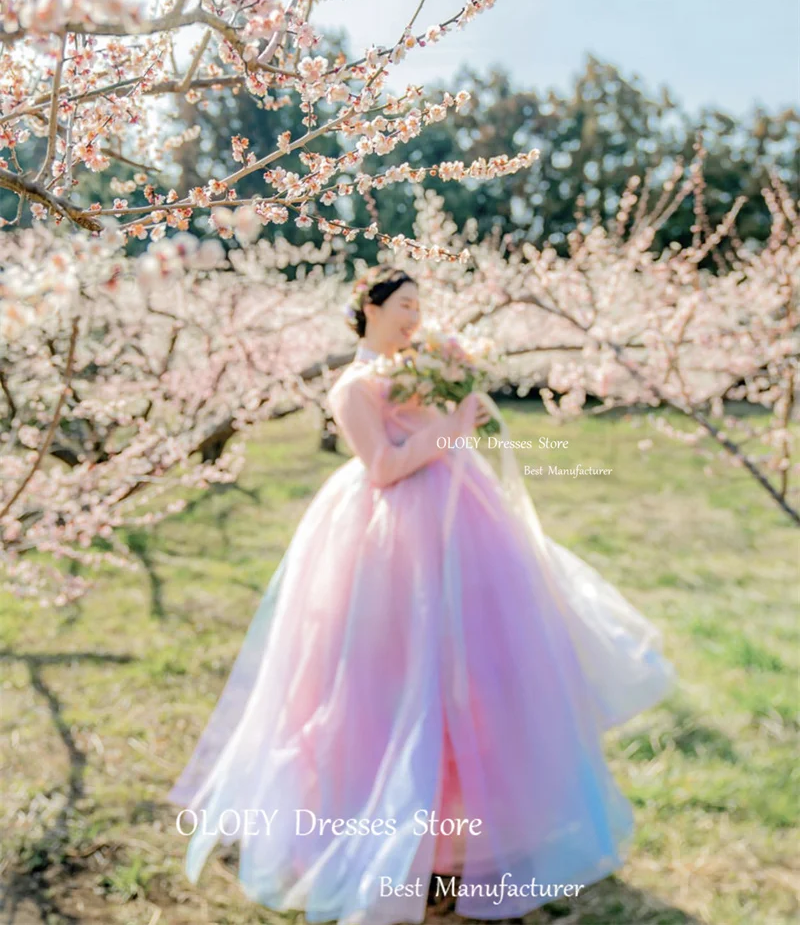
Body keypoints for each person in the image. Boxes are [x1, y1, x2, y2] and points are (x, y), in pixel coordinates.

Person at [167, 264, 676, 925]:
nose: (414, 317)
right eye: (404, 305)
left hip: (460, 525)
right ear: (369, 308)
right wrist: (449, 429)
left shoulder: (421, 367)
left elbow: (437, 437)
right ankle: (380, 840)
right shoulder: (353, 384)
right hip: (386, 542)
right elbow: (380, 467)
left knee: (476, 677)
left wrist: (456, 417)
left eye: (418, 306)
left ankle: (460, 848)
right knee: (386, 684)